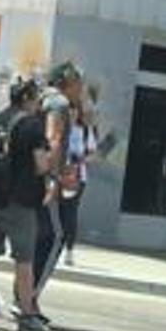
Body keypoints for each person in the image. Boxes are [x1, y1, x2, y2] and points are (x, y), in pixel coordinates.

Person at [0, 77, 51, 331]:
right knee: (24, 261)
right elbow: (41, 165)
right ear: (28, 98)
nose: (40, 103)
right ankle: (27, 316)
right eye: (37, 98)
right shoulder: (31, 126)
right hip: (20, 204)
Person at [31, 61, 85, 317]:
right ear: (68, 82)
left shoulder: (39, 98)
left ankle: (26, 297)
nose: (81, 91)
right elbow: (53, 139)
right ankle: (28, 299)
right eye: (79, 85)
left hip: (28, 179)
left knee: (37, 239)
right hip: (43, 182)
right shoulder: (59, 103)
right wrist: (53, 179)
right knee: (55, 237)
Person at [58, 101, 98, 268]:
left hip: (77, 177)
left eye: (75, 112)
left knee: (70, 212)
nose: (72, 115)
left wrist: (80, 160)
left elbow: (93, 154)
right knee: (56, 212)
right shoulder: (58, 128)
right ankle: (55, 247)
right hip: (59, 175)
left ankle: (69, 250)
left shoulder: (84, 131)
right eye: (69, 112)